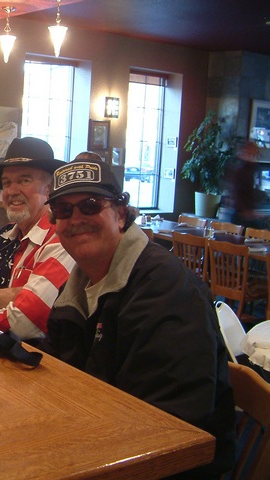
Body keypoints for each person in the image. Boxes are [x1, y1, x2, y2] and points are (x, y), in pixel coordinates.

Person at [45, 156, 235, 478]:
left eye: (90, 205)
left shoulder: (167, 290)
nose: (76, 219)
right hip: (96, 444)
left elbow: (169, 423)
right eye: (63, 210)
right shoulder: (77, 286)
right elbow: (60, 375)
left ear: (121, 214)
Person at [0, 137, 75, 343]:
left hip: (34, 359)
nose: (11, 191)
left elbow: (22, 322)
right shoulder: (2, 239)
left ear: (49, 189)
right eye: (7, 183)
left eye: (24, 181)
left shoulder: (61, 239)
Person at [226, 140, 267, 228]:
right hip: (241, 215)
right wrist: (248, 213)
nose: (255, 155)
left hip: (242, 213)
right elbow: (238, 194)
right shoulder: (242, 170)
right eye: (253, 152)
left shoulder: (247, 169)